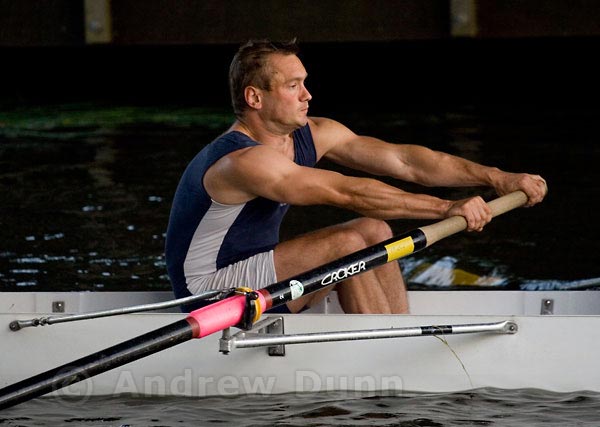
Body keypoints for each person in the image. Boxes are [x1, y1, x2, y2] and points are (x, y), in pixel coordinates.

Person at [165, 39, 547, 315]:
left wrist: (498, 178)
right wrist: (448, 207)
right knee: (348, 242)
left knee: (375, 229)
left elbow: (406, 162)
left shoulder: (313, 133)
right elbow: (345, 192)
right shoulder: (243, 161)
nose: (307, 95)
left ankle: (396, 329)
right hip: (209, 295)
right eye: (293, 85)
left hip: (261, 274)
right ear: (254, 98)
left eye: (305, 82)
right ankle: (383, 356)